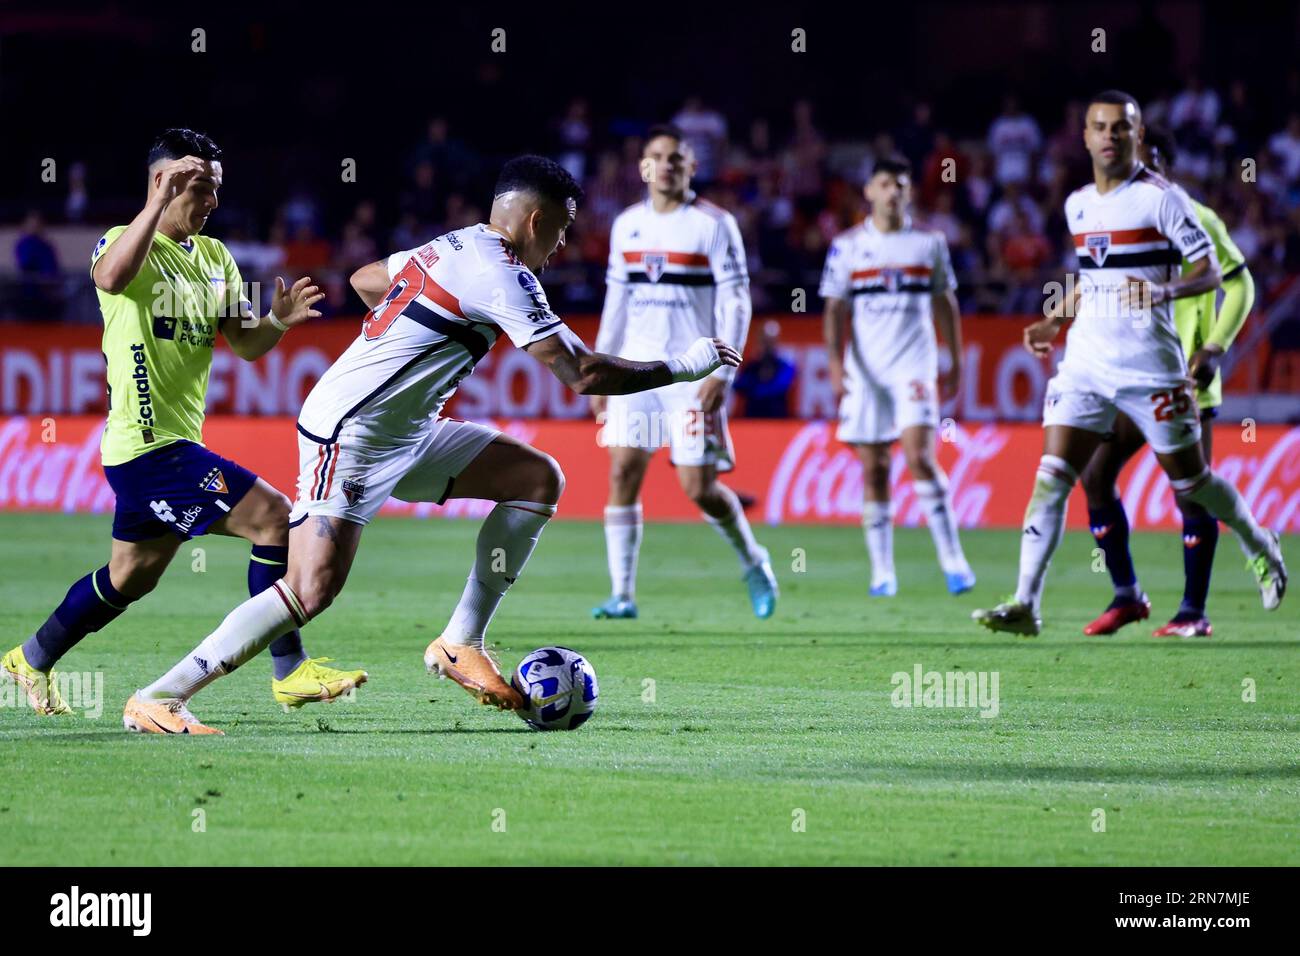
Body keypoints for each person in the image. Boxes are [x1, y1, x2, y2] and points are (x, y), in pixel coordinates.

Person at [123, 155, 740, 733]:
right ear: (537, 219)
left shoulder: (457, 243)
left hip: (406, 428)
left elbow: (369, 279)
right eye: (561, 232)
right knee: (312, 588)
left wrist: (408, 345)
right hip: (356, 430)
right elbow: (581, 375)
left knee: (536, 478)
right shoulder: (502, 273)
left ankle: (459, 643)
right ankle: (159, 697)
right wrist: (684, 367)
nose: (561, 248)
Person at [3, 129, 365, 727]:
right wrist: (155, 204)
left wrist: (277, 320)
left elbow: (245, 343)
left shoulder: (218, 258)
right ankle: (289, 671)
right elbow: (110, 280)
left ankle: (29, 658)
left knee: (129, 578)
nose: (211, 202)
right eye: (198, 188)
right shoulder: (123, 242)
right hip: (148, 448)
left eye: (216, 190)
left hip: (169, 448)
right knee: (276, 518)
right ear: (162, 183)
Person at [973, 92, 1286, 636]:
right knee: (1054, 477)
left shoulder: (1163, 200)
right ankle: (1027, 603)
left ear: (1137, 136)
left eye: (1122, 128)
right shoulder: (1076, 205)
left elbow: (1212, 273)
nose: (1111, 136)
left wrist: (1165, 294)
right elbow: (1096, 278)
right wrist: (1054, 320)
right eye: (1101, 127)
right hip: (1087, 365)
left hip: (1152, 367)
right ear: (1086, 137)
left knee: (1192, 486)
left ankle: (1259, 541)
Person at [590, 125, 778, 620]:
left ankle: (754, 560)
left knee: (698, 488)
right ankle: (622, 595)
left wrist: (724, 370)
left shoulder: (714, 225)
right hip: (636, 368)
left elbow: (737, 301)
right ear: (642, 167)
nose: (666, 165)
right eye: (656, 156)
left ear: (692, 168)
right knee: (623, 471)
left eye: (676, 158)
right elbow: (617, 302)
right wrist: (601, 369)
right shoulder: (626, 224)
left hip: (695, 372)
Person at [1078, 126, 1256, 638]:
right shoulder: (1119, 222)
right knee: (1094, 474)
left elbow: (1241, 282)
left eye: (1152, 160)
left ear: (1167, 168)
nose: (1143, 169)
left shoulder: (1197, 218)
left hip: (1183, 379)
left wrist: (1216, 345)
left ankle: (1193, 612)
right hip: (1129, 376)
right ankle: (1127, 595)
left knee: (1190, 493)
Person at [821, 156, 976, 597]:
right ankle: (883, 572)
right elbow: (835, 308)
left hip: (915, 364)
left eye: (900, 185)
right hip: (867, 371)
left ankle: (954, 562)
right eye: (884, 184)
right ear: (868, 191)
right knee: (874, 468)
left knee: (920, 456)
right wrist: (836, 364)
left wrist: (957, 360)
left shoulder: (928, 243)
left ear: (909, 192)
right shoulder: (848, 246)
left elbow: (946, 303)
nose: (892, 192)